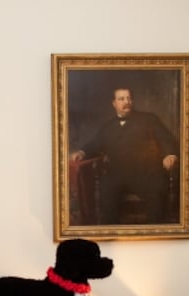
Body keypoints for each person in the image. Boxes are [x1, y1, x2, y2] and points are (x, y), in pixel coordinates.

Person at [69, 87, 180, 224]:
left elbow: (165, 139)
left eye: (129, 98)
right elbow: (95, 144)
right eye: (121, 99)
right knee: (106, 190)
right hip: (118, 175)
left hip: (147, 174)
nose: (126, 101)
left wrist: (170, 154)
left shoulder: (149, 119)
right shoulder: (108, 126)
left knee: (158, 190)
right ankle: (109, 235)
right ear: (114, 103)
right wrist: (82, 152)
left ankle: (156, 234)